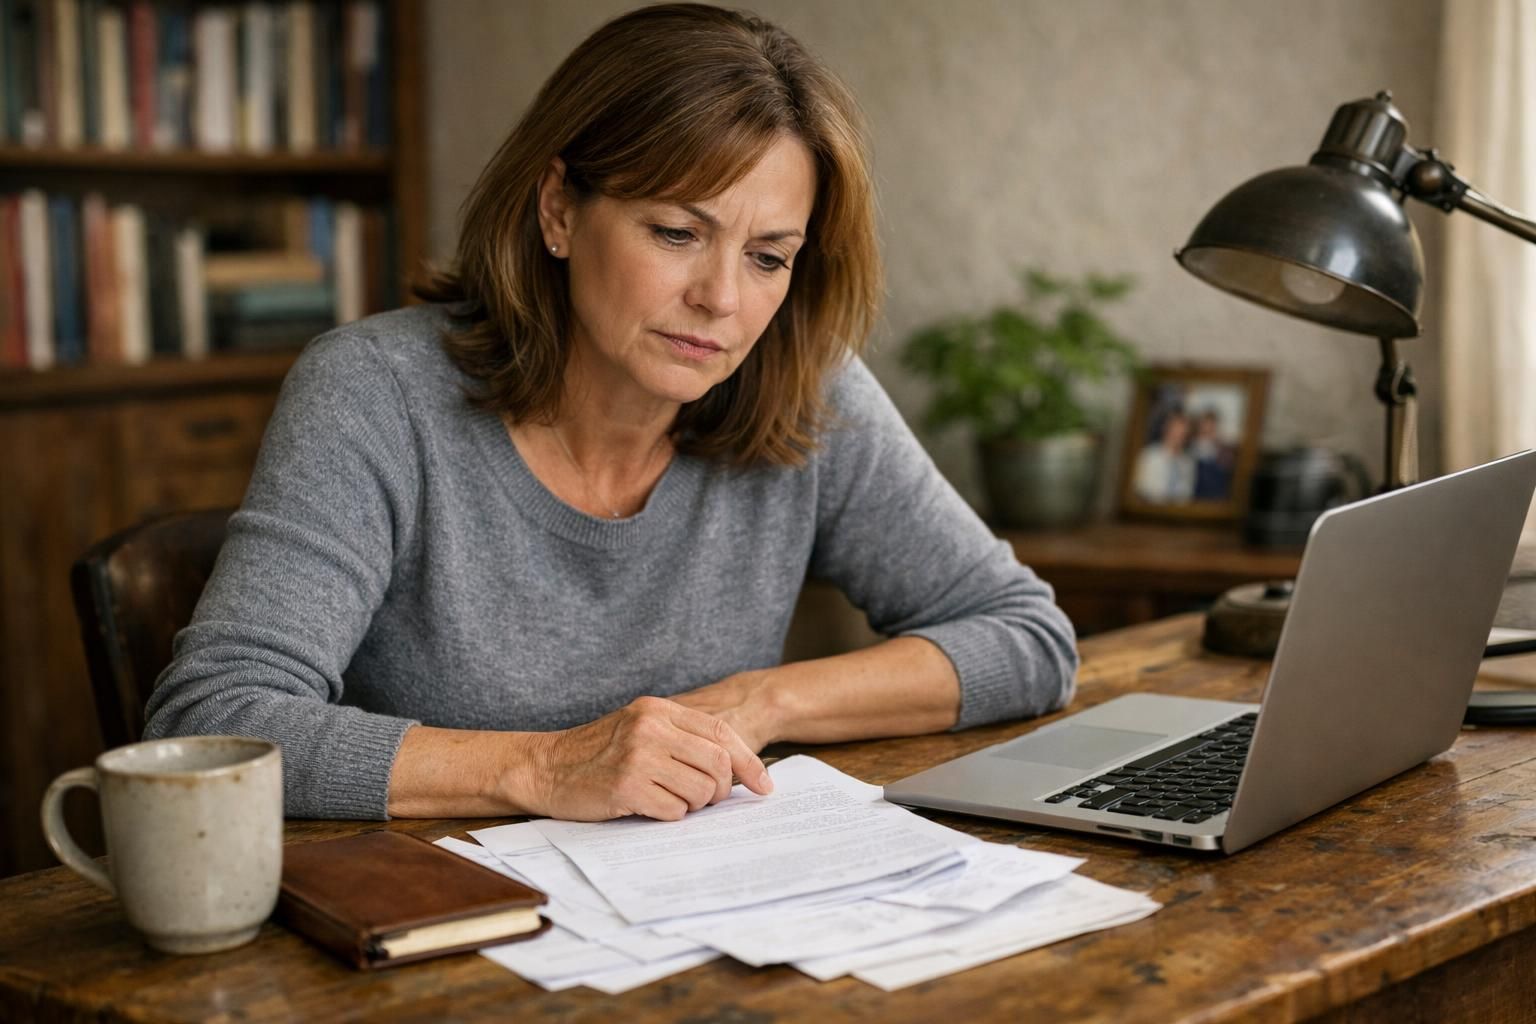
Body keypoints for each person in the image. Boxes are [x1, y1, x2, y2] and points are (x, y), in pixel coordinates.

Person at [143, 3, 1078, 824]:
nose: (722, 299)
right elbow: (220, 717)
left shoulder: (807, 386)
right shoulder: (375, 392)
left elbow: (1024, 637)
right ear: (558, 209)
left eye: (769, 256)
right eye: (678, 232)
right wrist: (542, 766)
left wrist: (761, 703)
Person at [1133, 409, 1196, 503]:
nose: (1180, 435)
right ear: (1167, 430)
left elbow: (1186, 494)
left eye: (1184, 432)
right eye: (1176, 430)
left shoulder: (1188, 462)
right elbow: (1139, 489)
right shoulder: (1149, 456)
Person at [1190, 408, 1236, 501]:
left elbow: (1227, 465)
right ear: (1200, 424)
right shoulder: (1193, 443)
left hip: (1216, 491)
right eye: (1206, 423)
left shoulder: (1220, 445)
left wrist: (1221, 446)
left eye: (1212, 423)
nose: (1209, 426)